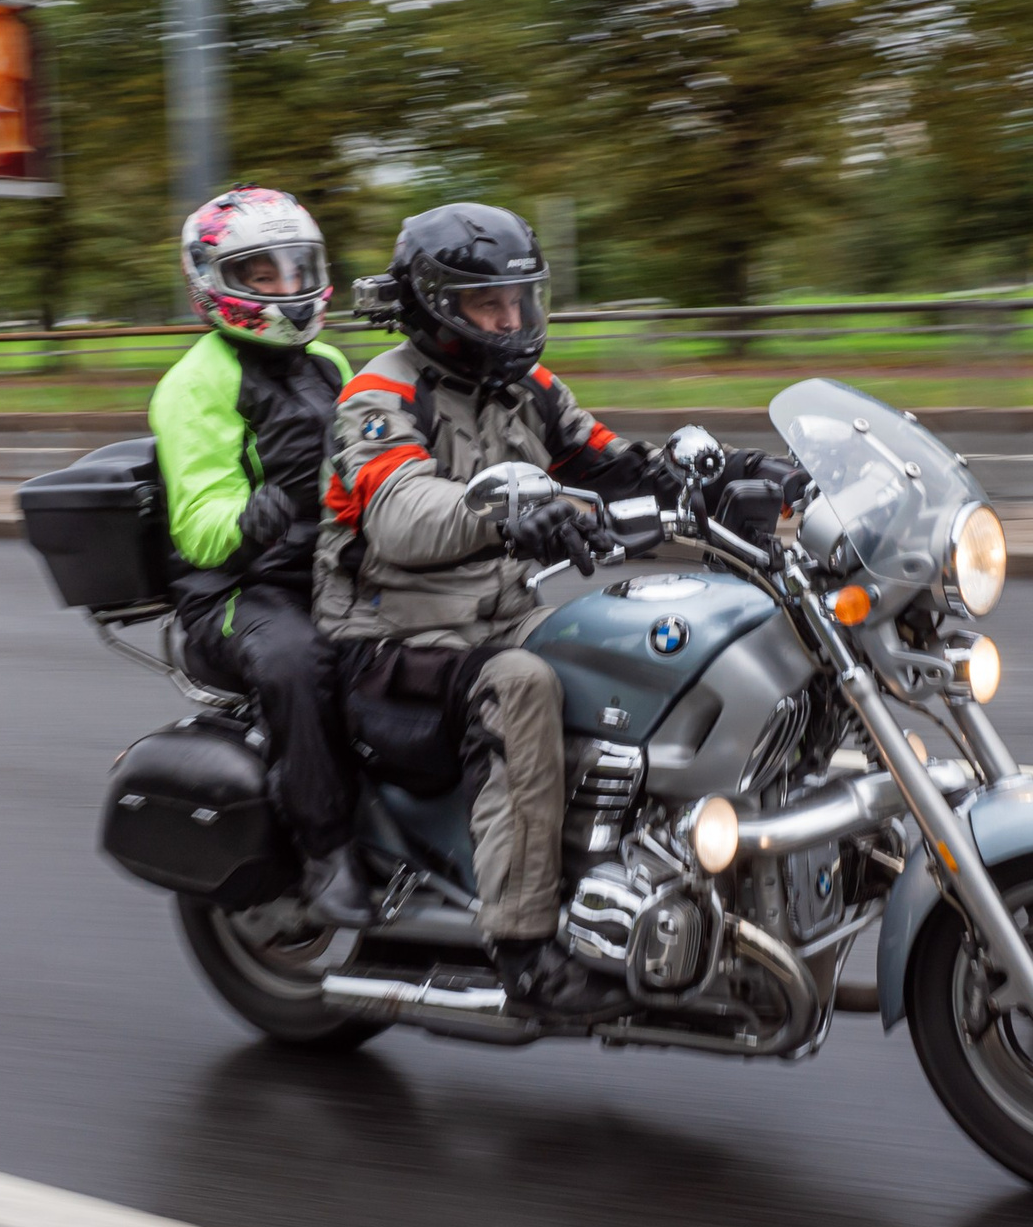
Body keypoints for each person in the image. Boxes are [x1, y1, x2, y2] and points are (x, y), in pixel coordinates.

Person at [316, 202, 792, 1023]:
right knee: (521, 685)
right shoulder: (378, 395)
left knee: (628, 653)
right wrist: (499, 513)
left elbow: (610, 461)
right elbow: (400, 509)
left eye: (519, 299)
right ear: (434, 306)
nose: (510, 318)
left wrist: (733, 477)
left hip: (494, 614)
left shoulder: (526, 387)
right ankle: (527, 945)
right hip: (388, 638)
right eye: (487, 305)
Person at [151, 185, 371, 926]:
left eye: (296, 268)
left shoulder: (329, 361)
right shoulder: (194, 382)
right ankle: (325, 847)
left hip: (325, 564)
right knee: (300, 662)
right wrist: (260, 510)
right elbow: (199, 528)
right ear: (214, 283)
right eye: (262, 275)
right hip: (239, 588)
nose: (287, 288)